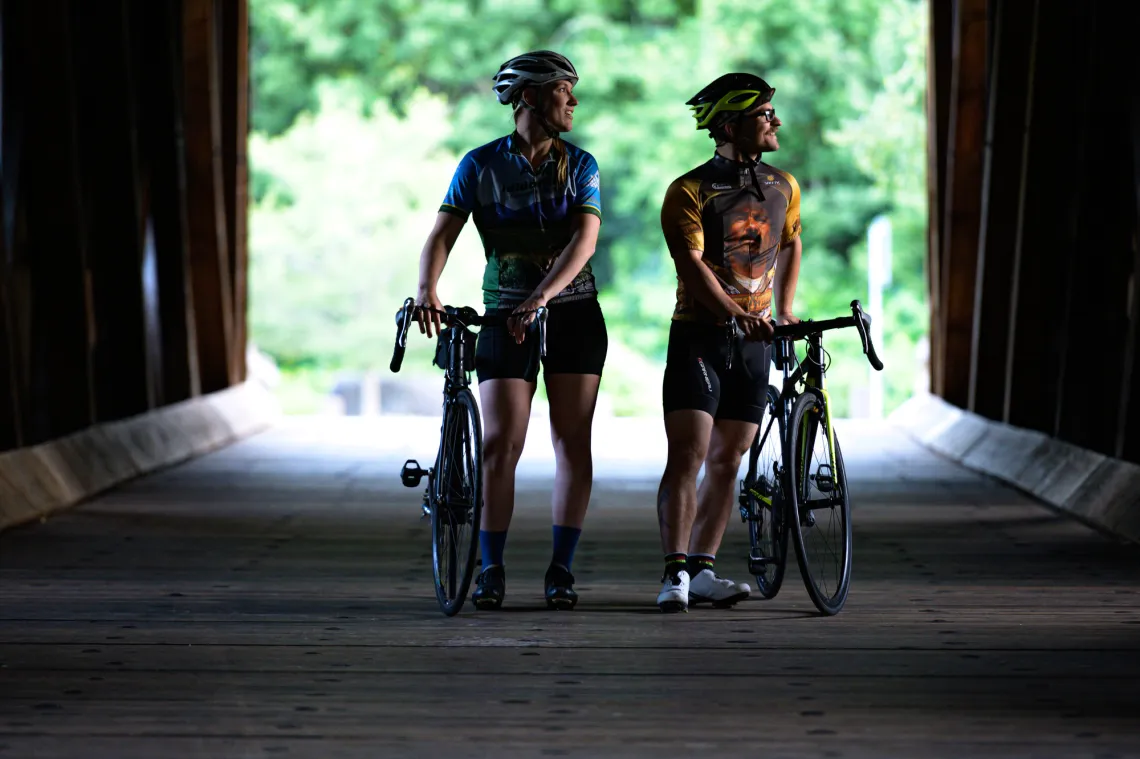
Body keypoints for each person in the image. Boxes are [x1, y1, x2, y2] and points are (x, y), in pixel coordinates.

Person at [413, 51, 606, 611]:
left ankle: (560, 570)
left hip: (572, 313)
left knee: (572, 443)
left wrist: (541, 297)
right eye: (563, 90)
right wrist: (428, 288)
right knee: (501, 444)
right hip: (502, 314)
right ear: (527, 98)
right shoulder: (479, 165)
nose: (573, 100)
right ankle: (490, 568)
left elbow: (584, 241)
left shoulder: (581, 164)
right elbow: (442, 233)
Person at [654, 72, 803, 613]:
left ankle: (705, 569)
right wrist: (737, 314)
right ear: (729, 124)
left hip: (754, 339)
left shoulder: (783, 185)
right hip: (700, 336)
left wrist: (782, 310)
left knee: (730, 457)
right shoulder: (689, 191)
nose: (775, 121)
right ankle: (674, 575)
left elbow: (790, 243)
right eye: (764, 113)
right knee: (689, 453)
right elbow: (691, 269)